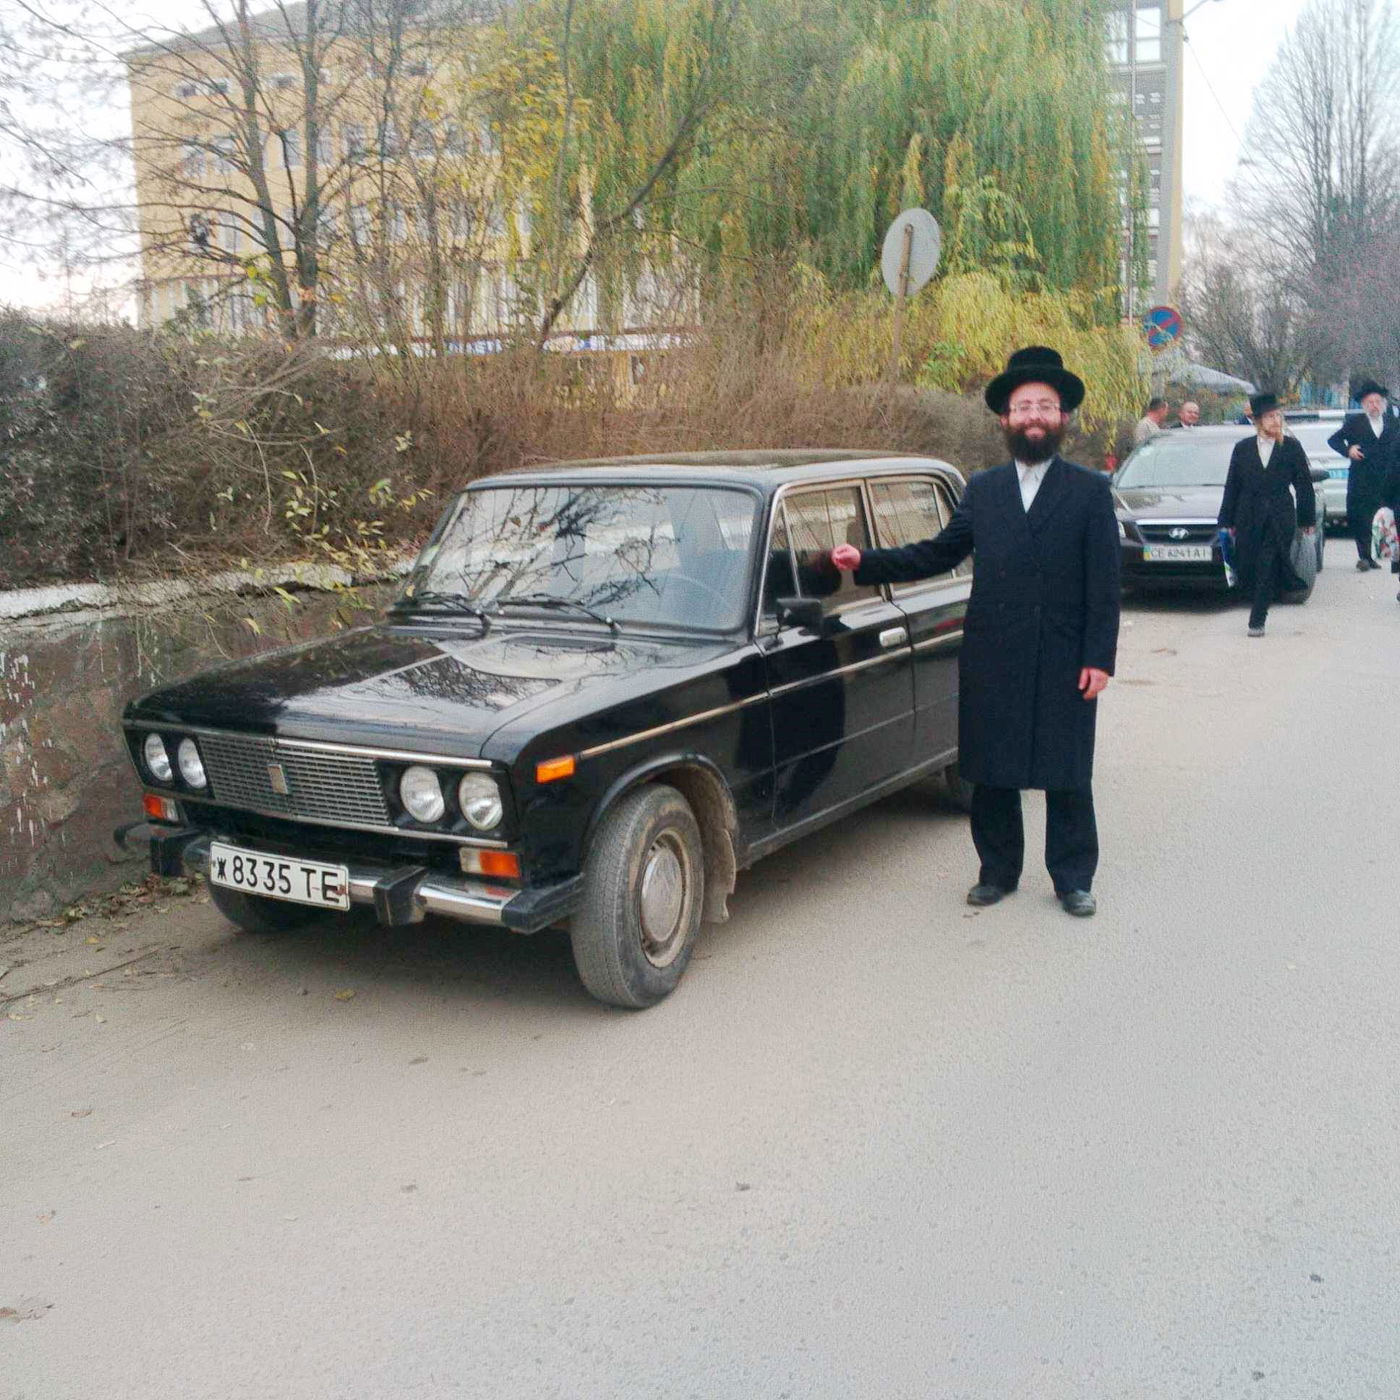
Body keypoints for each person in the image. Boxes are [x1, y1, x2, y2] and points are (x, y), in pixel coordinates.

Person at [829, 346, 1120, 918]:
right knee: (992, 769)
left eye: (1045, 406)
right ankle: (998, 871)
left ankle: (1072, 878)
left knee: (1067, 771)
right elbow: (937, 553)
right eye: (1023, 407)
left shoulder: (1088, 491)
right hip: (994, 655)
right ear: (1005, 420)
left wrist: (1099, 658)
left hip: (1066, 656)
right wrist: (864, 562)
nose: (1034, 416)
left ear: (1062, 418)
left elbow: (1104, 584)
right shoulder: (983, 490)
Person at [1218, 392, 1317, 637]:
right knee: (1250, 564)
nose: (1275, 420)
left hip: (1279, 515)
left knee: (1267, 563)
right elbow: (1232, 485)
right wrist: (1226, 521)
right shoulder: (1242, 449)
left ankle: (1257, 619)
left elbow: (1304, 485)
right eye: (1270, 416)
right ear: (1258, 421)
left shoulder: (1291, 447)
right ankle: (1261, 600)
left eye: (1278, 415)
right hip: (1248, 515)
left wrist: (1307, 519)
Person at [1326, 380, 1397, 570]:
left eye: (1377, 402)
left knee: (1386, 517)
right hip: (1362, 479)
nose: (1374, 405)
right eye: (1370, 402)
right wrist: (1348, 450)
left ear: (1383, 404)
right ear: (1364, 405)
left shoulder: (1393, 422)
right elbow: (1333, 440)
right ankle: (1365, 557)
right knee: (1362, 518)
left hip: (1387, 479)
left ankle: (1387, 553)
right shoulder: (1355, 423)